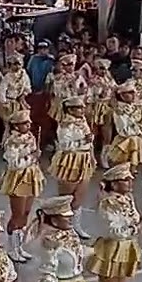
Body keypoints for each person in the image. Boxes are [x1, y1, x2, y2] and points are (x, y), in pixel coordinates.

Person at [88, 164, 142, 282]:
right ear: (114, 183)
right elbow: (113, 230)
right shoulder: (106, 203)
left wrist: (130, 225)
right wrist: (131, 227)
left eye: (129, 179)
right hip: (111, 249)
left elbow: (135, 217)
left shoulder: (128, 199)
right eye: (125, 180)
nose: (130, 182)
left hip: (127, 247)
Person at [0, 110, 44, 262]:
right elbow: (14, 164)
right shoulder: (11, 142)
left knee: (26, 212)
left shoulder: (30, 137)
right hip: (19, 178)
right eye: (25, 123)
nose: (29, 125)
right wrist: (32, 157)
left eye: (28, 122)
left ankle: (20, 246)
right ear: (16, 126)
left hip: (31, 175)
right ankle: (12, 247)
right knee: (17, 214)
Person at [51, 96, 96, 237]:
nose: (82, 110)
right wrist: (83, 140)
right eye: (78, 108)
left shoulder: (82, 121)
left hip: (84, 158)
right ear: (70, 110)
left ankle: (75, 226)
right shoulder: (65, 125)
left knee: (80, 195)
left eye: (83, 107)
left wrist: (92, 155)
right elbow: (64, 145)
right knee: (66, 197)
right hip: (71, 160)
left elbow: (89, 143)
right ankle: (60, 226)